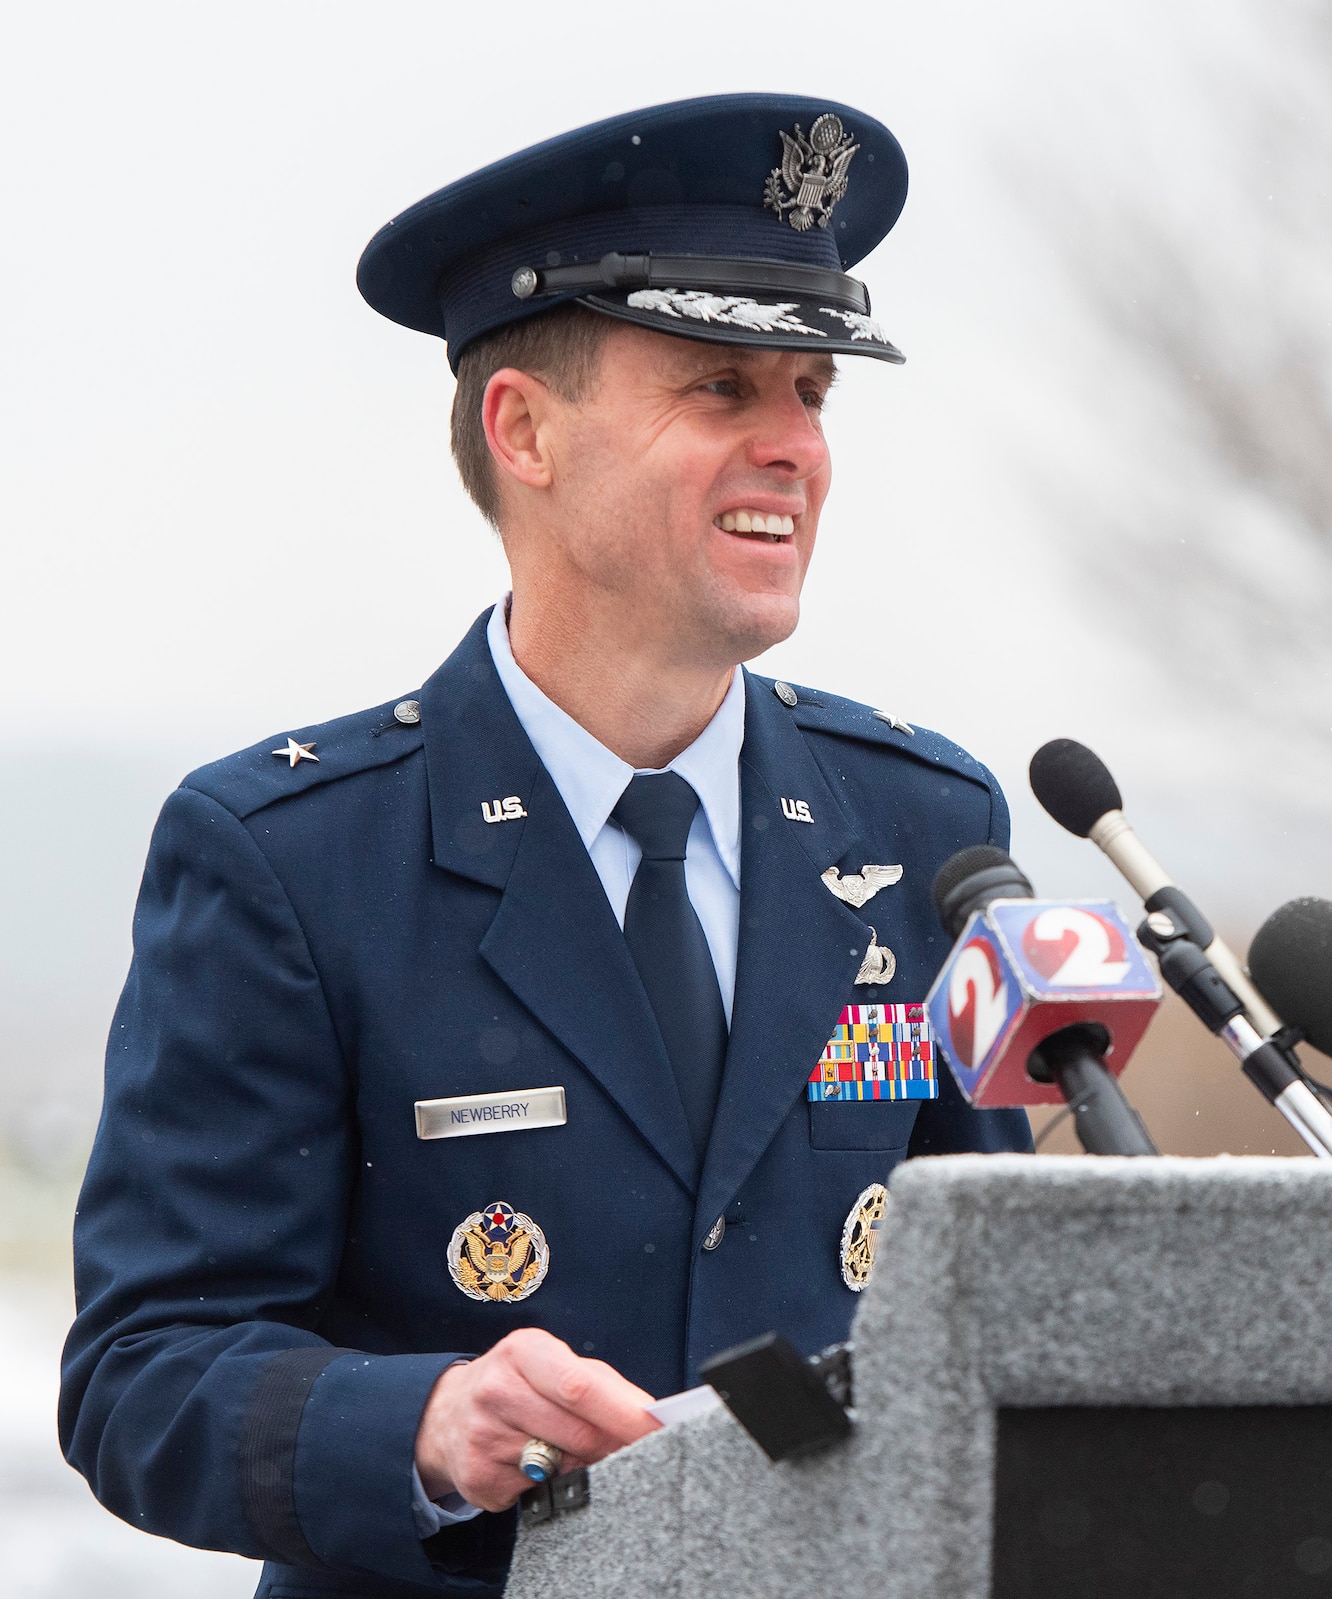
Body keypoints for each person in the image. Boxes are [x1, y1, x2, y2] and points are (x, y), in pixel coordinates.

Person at [59, 93, 1031, 1599]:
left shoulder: (923, 831)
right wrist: (425, 1422)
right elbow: (142, 1371)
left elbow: (991, 1305)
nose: (794, 449)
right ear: (525, 431)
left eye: (813, 395)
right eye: (721, 390)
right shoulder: (291, 859)